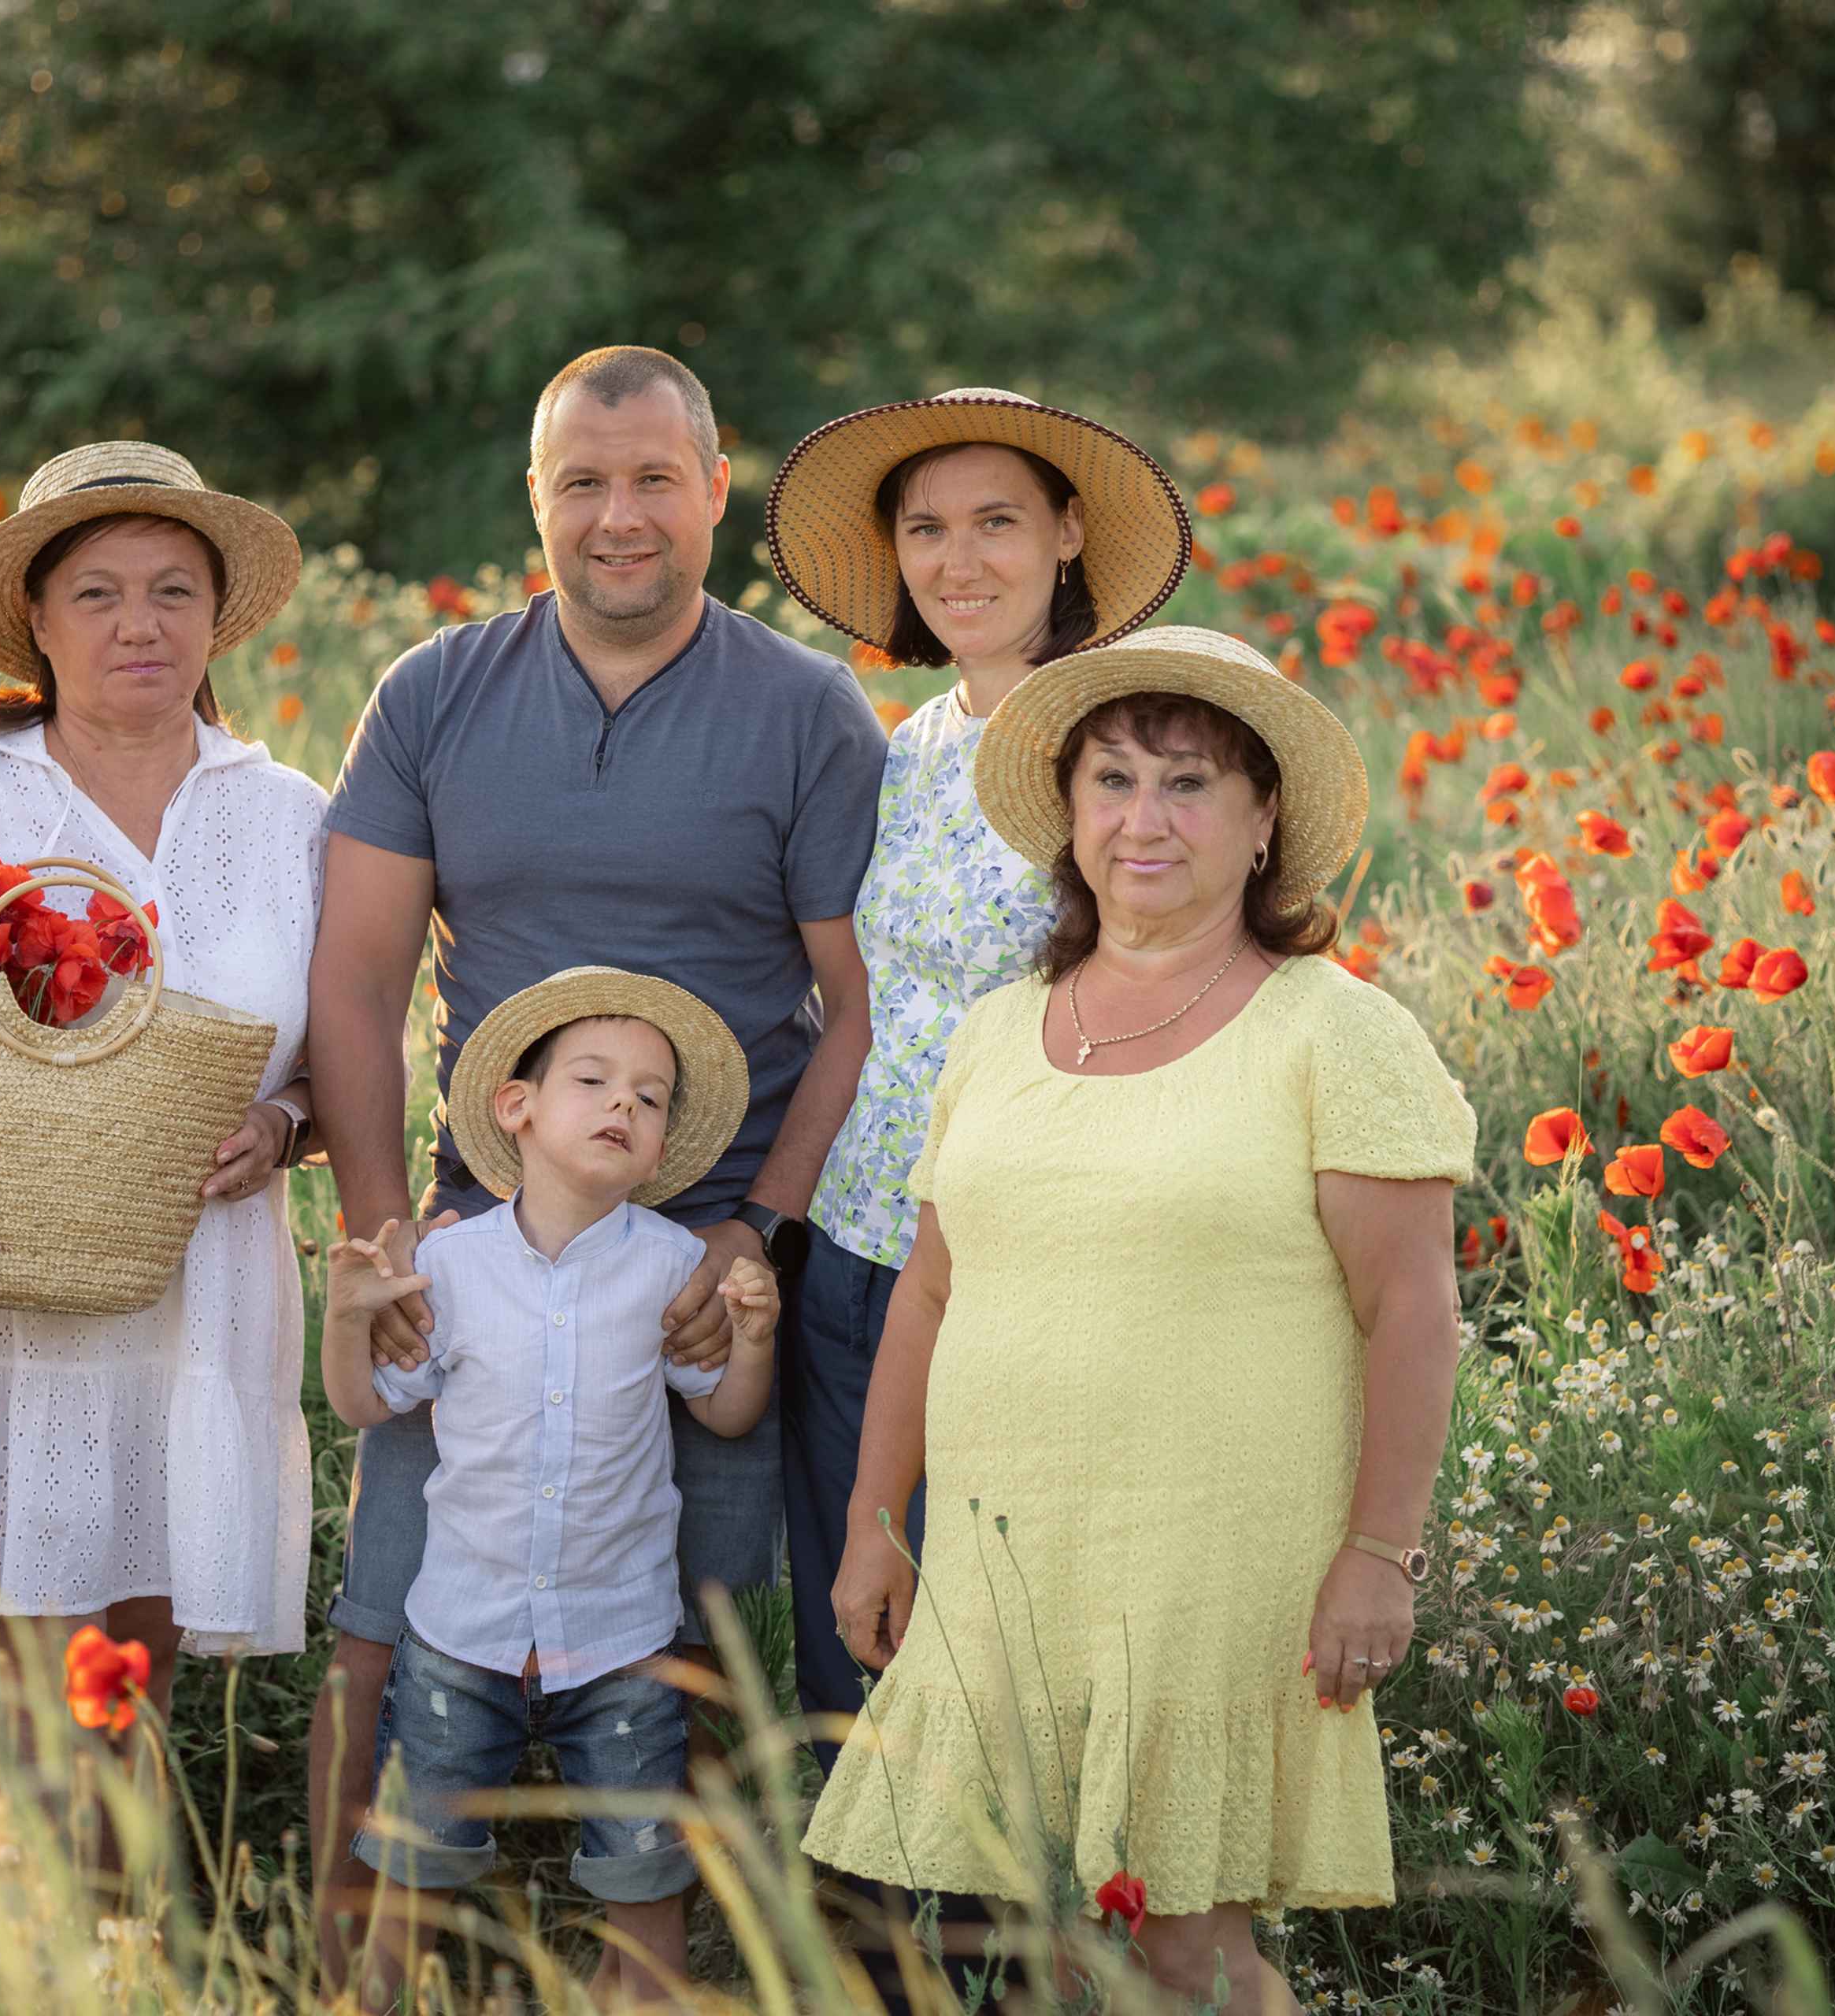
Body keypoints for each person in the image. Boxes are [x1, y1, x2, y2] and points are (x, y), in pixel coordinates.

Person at [306, 344, 884, 1978]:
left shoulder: (803, 709)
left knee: (686, 1629)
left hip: (698, 1250)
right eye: (581, 481)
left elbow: (849, 1006)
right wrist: (382, 1229)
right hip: (481, 1227)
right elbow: (353, 977)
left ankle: (659, 1954)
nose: (616, 515)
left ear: (716, 491)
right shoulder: (436, 692)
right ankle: (351, 1954)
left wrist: (751, 1237)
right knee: (391, 1608)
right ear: (534, 502)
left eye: (651, 479)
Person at [806, 627, 1477, 2012]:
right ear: (1069, 816)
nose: (1142, 818)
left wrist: (1378, 1556)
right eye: (1112, 780)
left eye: (1186, 784)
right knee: (1045, 1946)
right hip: (1011, 1564)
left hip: (1215, 1566)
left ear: (1262, 820)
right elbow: (932, 1292)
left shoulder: (1328, 1030)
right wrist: (880, 1521)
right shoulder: (999, 1030)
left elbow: (1412, 1311)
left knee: (1191, 1952)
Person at [0, 443, 323, 1759]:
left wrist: (284, 1126)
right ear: (40, 627)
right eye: (100, 593)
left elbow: (342, 1063)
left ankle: (133, 1956)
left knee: (135, 1696)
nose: (140, 623)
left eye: (174, 590)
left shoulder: (291, 818)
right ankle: (36, 1954)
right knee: (30, 1708)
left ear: (217, 618)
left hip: (203, 1299)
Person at [763, 387, 1190, 1773]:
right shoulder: (910, 751)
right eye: (926, 528)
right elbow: (865, 1015)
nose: (958, 561)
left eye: (997, 521)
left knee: (1002, 1635)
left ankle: (1009, 1956)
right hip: (861, 1246)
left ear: (1069, 532)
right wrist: (774, 1222)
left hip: (1028, 1264)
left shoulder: (1129, 751)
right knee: (857, 1630)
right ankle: (863, 1953)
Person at [320, 968, 779, 2012]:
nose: (624, 1104)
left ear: (662, 1147)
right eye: (594, 1080)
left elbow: (724, 1413)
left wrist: (751, 1342)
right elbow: (367, 1404)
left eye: (650, 1098)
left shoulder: (671, 1267)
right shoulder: (453, 1265)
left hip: (622, 1638)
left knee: (644, 1869)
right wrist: (346, 1321)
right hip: (460, 1635)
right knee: (412, 1869)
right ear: (517, 1108)